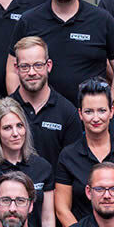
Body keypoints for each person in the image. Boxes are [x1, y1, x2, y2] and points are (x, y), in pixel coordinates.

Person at [54, 78, 114, 225]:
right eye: (89, 111)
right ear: (80, 114)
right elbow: (62, 209)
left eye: (102, 111)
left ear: (111, 111)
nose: (96, 118)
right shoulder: (68, 156)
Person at [0, 98, 56, 227]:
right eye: (7, 128)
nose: (15, 133)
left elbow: (48, 222)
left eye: (19, 126)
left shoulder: (43, 167)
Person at [11, 35, 79, 165]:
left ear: (48, 66)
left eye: (38, 65)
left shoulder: (68, 113)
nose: (31, 72)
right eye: (25, 66)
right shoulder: (3, 112)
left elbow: (73, 165)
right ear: (16, 68)